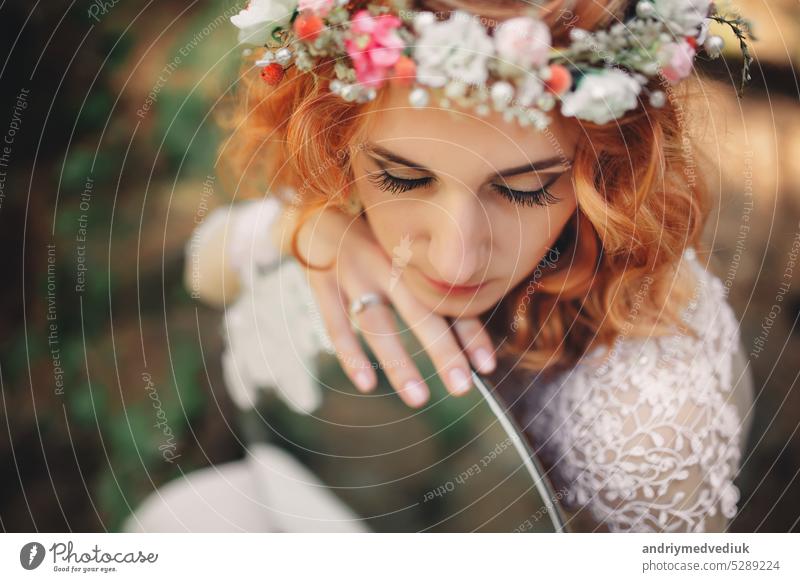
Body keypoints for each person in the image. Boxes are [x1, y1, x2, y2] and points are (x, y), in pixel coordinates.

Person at [124, 0, 756, 532]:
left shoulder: (654, 424)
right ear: (337, 133)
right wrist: (305, 229)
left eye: (525, 189)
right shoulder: (346, 193)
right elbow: (207, 268)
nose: (455, 257)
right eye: (401, 177)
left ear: (610, 165)